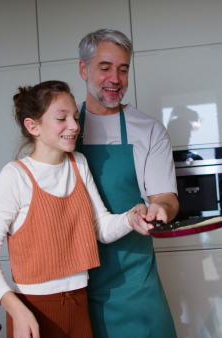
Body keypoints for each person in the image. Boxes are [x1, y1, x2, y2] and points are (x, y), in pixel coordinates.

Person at [0, 80, 152, 338]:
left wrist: (131, 217)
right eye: (62, 118)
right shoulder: (15, 177)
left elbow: (99, 228)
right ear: (33, 126)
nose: (74, 126)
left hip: (79, 302)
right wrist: (17, 310)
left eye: (75, 117)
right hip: (34, 309)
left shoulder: (78, 163)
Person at [77, 29, 179, 337]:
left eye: (123, 69)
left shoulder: (148, 130)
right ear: (84, 69)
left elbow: (167, 198)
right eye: (105, 68)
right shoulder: (64, 130)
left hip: (135, 283)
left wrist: (159, 207)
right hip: (75, 285)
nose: (115, 78)